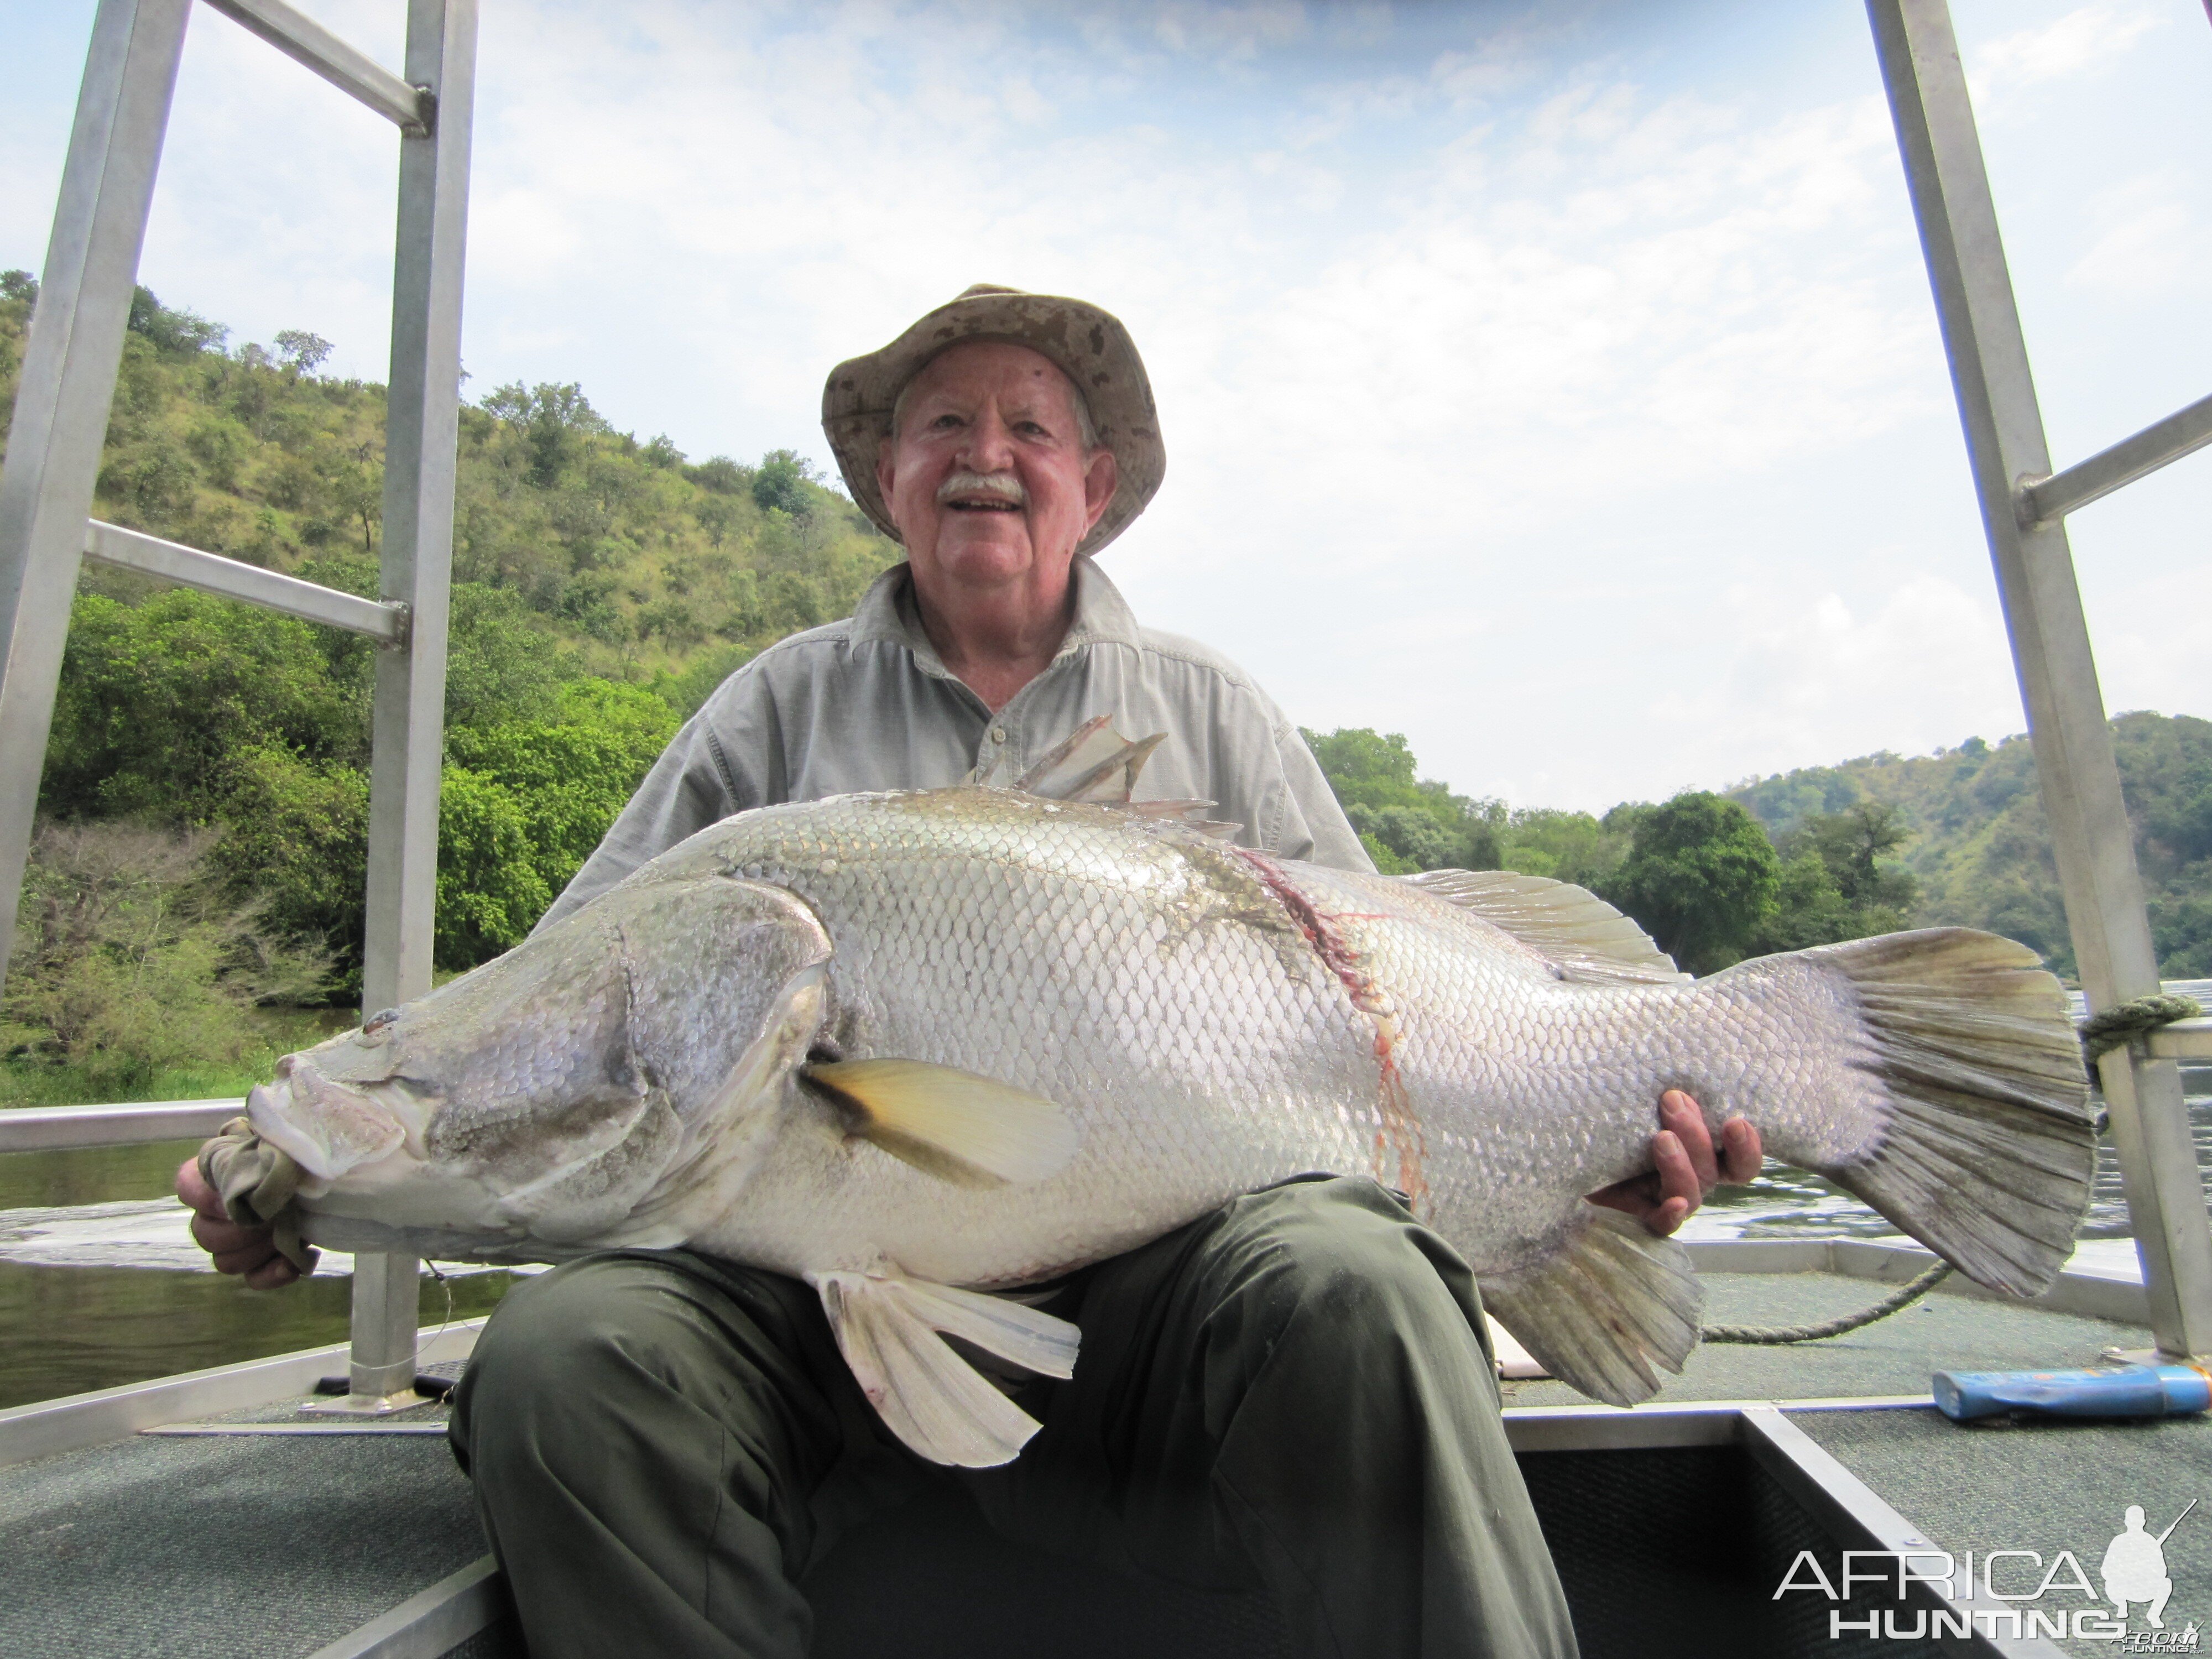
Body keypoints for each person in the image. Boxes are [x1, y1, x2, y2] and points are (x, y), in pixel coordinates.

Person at [180, 286, 1763, 1658]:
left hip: (1169, 1323)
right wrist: (309, 1166)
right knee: (562, 1367)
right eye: (940, 422)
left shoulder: (1216, 711)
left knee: (1357, 1282)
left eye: (1027, 424)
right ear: (887, 480)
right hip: (797, 1323)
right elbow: (558, 994)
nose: (983, 452)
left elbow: (1412, 1034)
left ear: (1098, 483)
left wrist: (1607, 1153)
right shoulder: (768, 716)